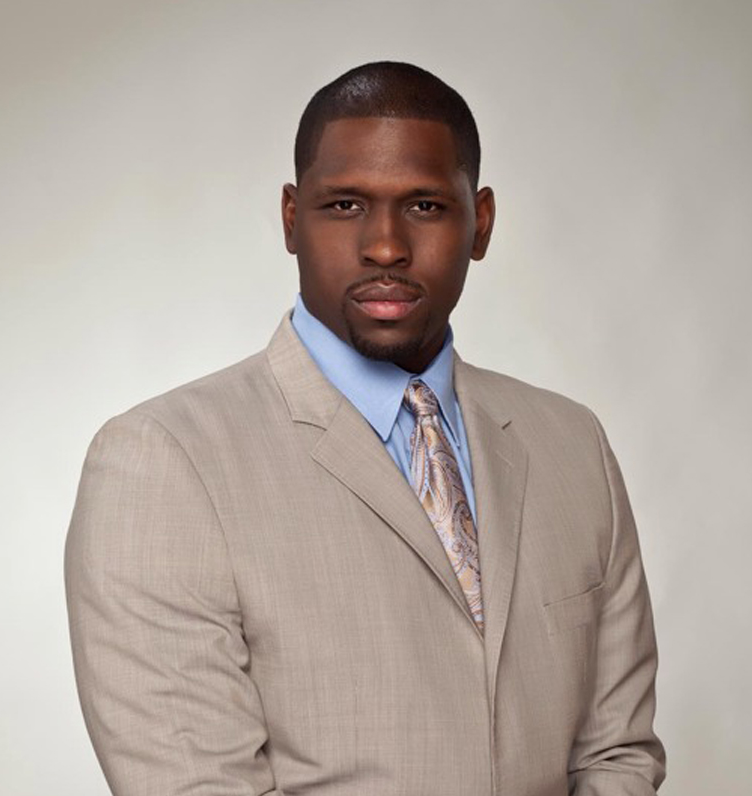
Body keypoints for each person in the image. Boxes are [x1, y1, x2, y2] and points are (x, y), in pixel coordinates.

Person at [65, 61, 666, 795]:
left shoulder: (574, 447)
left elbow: (619, 757)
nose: (385, 247)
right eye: (346, 205)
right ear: (291, 219)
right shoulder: (164, 464)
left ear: (481, 222)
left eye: (424, 206)